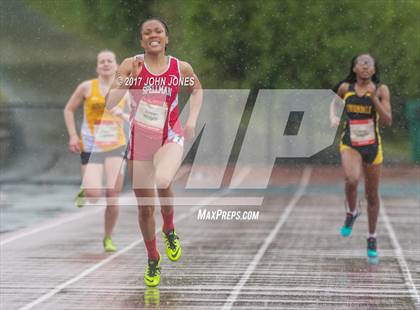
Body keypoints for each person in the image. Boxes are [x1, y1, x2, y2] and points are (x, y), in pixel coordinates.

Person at [106, 18, 203, 286]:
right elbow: (109, 102)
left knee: (163, 181)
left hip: (170, 135)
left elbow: (196, 90)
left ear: (166, 38)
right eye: (147, 33)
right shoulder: (130, 64)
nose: (153, 35)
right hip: (140, 141)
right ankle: (153, 258)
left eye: (158, 31)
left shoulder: (179, 67)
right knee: (145, 209)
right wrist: (129, 80)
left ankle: (169, 228)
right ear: (141, 40)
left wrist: (192, 120)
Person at [64, 50, 128, 252]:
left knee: (113, 194)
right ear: (97, 66)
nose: (106, 64)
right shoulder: (86, 87)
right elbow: (68, 109)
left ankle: (108, 237)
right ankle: (86, 189)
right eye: (102, 61)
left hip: (117, 145)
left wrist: (123, 114)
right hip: (91, 146)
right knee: (94, 195)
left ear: (116, 65)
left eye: (110, 61)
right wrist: (73, 135)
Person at [330, 54, 392, 259]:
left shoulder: (381, 90)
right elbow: (334, 104)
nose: (365, 66)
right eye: (361, 63)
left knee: (372, 196)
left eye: (369, 64)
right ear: (354, 68)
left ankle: (372, 237)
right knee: (352, 178)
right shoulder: (345, 88)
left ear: (374, 70)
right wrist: (334, 116)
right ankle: (351, 211)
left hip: (373, 147)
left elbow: (387, 120)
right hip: (350, 143)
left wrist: (373, 97)